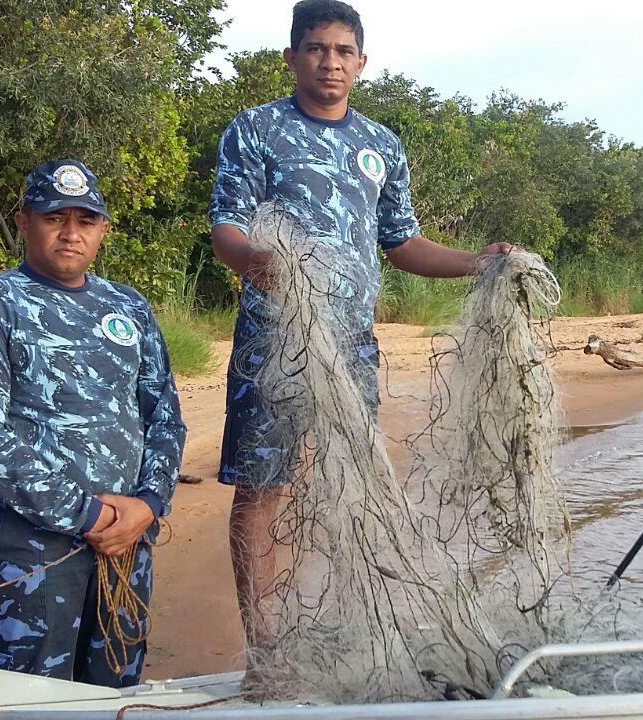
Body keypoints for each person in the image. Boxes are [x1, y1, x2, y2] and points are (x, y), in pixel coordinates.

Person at [208, 0, 512, 664]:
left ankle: (361, 632)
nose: (330, 62)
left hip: (354, 348)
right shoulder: (255, 129)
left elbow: (402, 242)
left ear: (362, 63)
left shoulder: (381, 144)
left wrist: (477, 263)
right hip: (274, 344)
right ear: (291, 58)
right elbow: (225, 224)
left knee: (359, 485)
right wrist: (250, 261)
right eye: (317, 49)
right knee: (264, 489)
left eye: (344, 51)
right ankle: (264, 649)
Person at [0, 158, 187, 687]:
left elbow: (164, 417)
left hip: (128, 542)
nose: (71, 233)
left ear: (103, 228)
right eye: (54, 218)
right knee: (27, 694)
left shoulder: (129, 307)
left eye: (86, 220)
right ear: (25, 221)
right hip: (33, 545)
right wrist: (87, 514)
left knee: (114, 688)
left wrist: (149, 504)